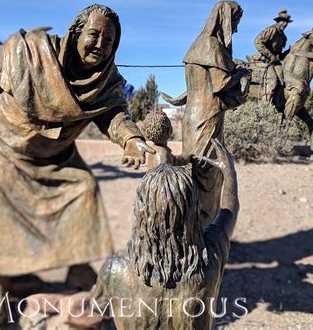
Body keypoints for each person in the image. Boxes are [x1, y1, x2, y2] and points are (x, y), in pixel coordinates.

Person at [0, 4, 154, 325]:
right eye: (94, 35)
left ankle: (77, 268)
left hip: (54, 151)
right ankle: (2, 282)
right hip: (6, 141)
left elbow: (114, 114)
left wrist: (131, 139)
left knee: (83, 188)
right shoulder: (38, 51)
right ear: (76, 32)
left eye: (108, 40)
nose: (100, 45)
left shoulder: (106, 80)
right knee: (2, 212)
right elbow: (0, 52)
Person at [92, 139, 240, 329]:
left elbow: (97, 311)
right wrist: (229, 171)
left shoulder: (114, 270)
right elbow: (229, 210)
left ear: (141, 210)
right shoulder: (210, 257)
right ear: (193, 208)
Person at [181, 0, 248, 225]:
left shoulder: (197, 45)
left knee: (195, 171)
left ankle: (194, 227)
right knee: (208, 172)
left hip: (193, 117)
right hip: (206, 118)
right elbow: (220, 84)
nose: (236, 28)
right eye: (235, 22)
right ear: (227, 20)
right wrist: (241, 73)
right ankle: (204, 231)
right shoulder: (211, 46)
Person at [248, 9, 293, 102]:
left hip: (274, 63)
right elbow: (258, 42)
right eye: (283, 21)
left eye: (286, 23)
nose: (284, 24)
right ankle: (265, 105)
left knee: (284, 78)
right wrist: (271, 56)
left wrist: (288, 52)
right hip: (262, 60)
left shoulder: (283, 37)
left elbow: (278, 55)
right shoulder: (271, 30)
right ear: (278, 21)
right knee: (272, 80)